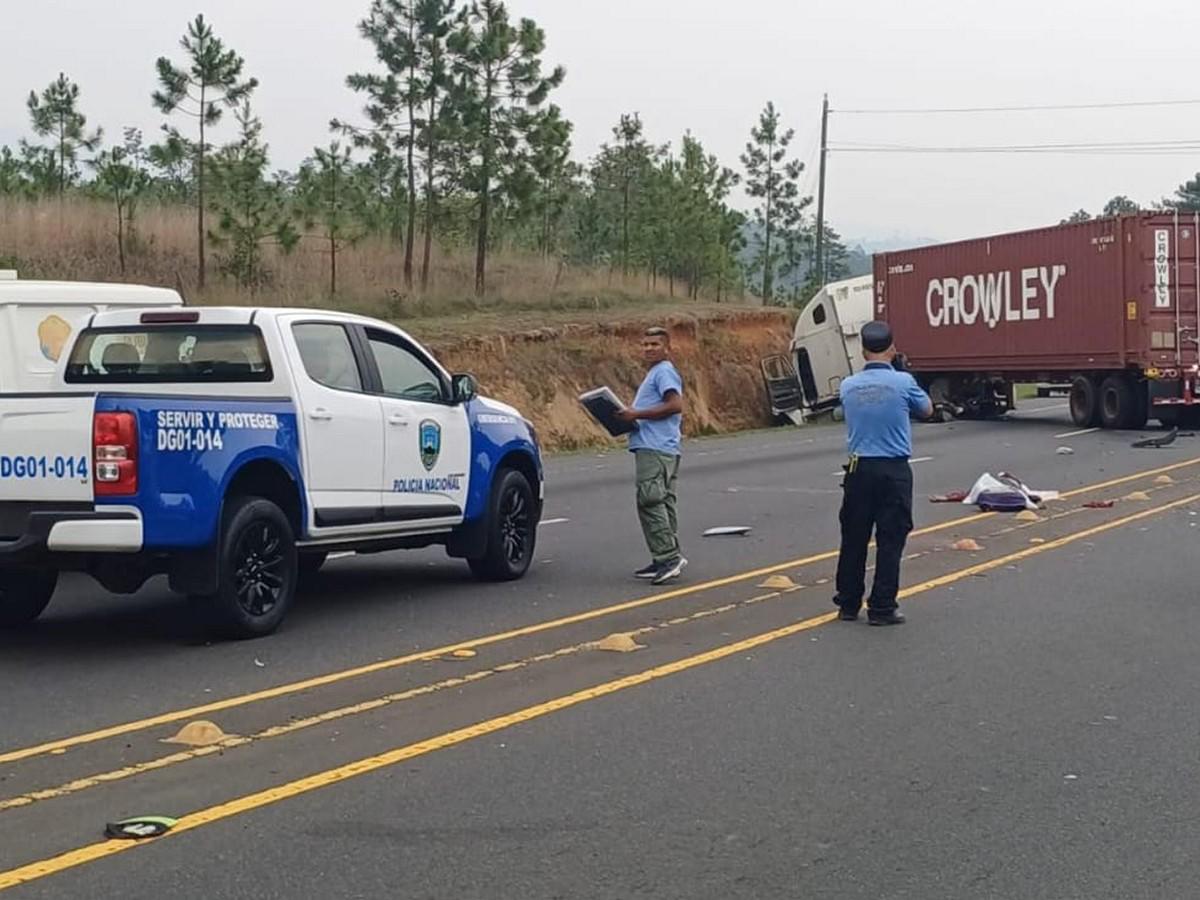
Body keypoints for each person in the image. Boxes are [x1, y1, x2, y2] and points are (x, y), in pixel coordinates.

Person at [833, 321, 933, 626]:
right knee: (891, 538)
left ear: (863, 350)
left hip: (858, 467)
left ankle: (848, 603)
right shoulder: (904, 383)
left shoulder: (848, 385)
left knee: (853, 537)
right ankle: (882, 606)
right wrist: (902, 371)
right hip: (893, 469)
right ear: (891, 348)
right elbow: (927, 410)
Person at [616, 326, 687, 585]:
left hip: (656, 447)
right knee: (663, 501)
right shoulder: (657, 373)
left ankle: (668, 558)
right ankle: (665, 556)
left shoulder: (664, 371)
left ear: (667, 348)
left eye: (654, 344)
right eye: (645, 344)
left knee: (650, 500)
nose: (648, 349)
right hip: (660, 446)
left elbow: (675, 405)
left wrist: (635, 414)